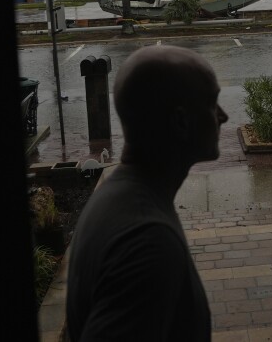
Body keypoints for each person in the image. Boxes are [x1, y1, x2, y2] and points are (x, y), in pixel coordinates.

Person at [66, 45, 228, 341]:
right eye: (212, 102)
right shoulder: (147, 241)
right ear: (181, 122)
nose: (223, 116)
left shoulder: (119, 197)